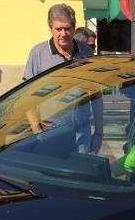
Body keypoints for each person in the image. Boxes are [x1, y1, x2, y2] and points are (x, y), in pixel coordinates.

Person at [24, 4, 102, 153]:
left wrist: (98, 131)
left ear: (74, 28)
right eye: (58, 29)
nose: (63, 34)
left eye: (67, 28)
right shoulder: (38, 53)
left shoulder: (86, 53)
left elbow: (96, 94)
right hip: (50, 132)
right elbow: (27, 94)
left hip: (82, 131)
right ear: (50, 28)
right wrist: (36, 129)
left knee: (79, 173)